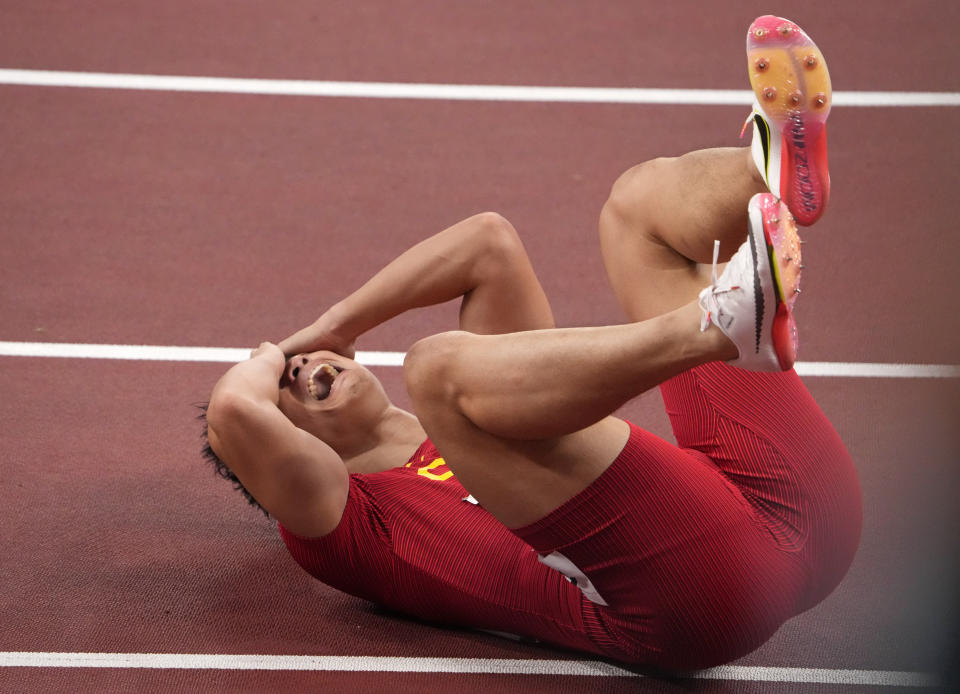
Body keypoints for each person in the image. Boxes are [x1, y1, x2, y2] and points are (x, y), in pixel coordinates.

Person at [202, 16, 860, 672]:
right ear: (294, 450)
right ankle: (713, 326)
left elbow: (487, 243)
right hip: (686, 600)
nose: (305, 368)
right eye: (289, 385)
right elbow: (233, 414)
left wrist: (335, 326)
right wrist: (270, 355)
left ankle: (767, 169)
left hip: (796, 509)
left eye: (302, 362)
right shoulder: (349, 524)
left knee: (633, 211)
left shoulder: (496, 400)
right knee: (433, 366)